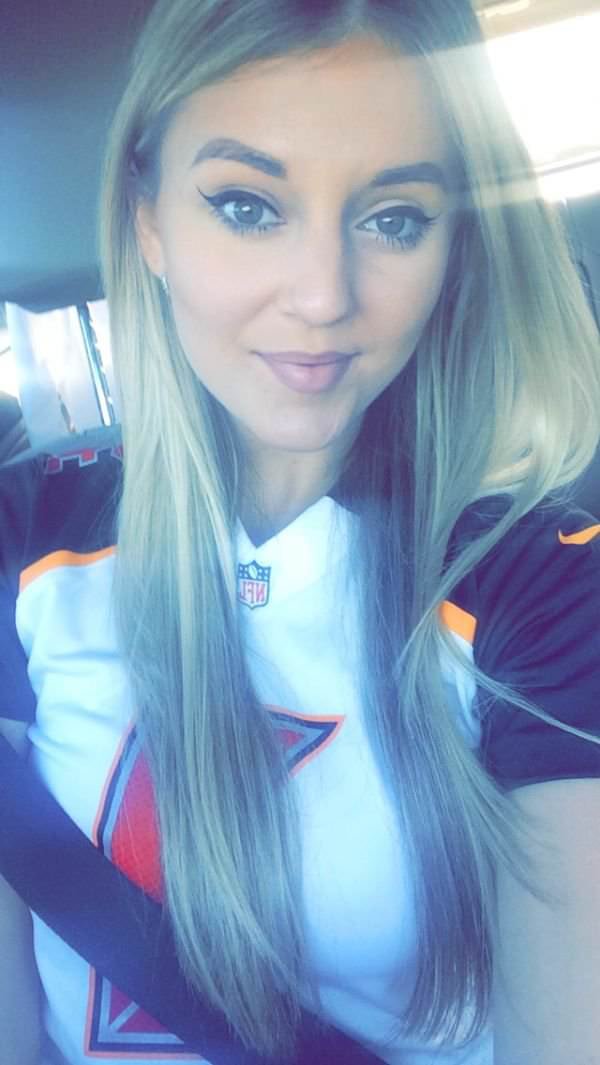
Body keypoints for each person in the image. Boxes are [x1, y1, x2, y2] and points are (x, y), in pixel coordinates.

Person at [1, 0, 600, 1063]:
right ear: (148, 223)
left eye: (395, 219)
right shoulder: (26, 544)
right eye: (247, 206)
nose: (325, 297)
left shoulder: (540, 585)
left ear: (455, 245)